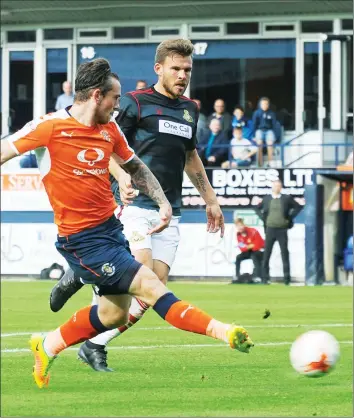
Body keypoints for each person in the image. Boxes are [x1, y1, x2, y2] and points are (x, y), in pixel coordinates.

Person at [48, 41, 253, 373]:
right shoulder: (134, 104)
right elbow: (108, 145)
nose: (182, 75)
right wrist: (122, 177)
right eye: (175, 68)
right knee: (141, 275)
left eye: (187, 69)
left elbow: (189, 156)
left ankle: (93, 343)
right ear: (158, 69)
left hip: (168, 208)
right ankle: (83, 274)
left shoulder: (190, 109)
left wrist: (211, 200)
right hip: (131, 205)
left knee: (149, 295)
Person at [255, 179, 303, 285]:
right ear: (272, 187)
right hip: (270, 229)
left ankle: (287, 279)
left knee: (284, 254)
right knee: (267, 254)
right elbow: (257, 208)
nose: (277, 188)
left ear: (281, 187)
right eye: (275, 186)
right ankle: (265, 279)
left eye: (278, 186)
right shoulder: (267, 199)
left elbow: (298, 207)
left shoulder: (286, 198)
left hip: (282, 229)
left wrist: (289, 218)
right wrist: (263, 218)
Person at [233, 218, 264, 284]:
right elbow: (242, 248)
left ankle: (257, 277)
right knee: (238, 257)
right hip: (248, 251)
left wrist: (248, 246)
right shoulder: (238, 235)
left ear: (244, 225)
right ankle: (237, 276)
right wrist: (250, 245)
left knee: (254, 256)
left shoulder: (253, 231)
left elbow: (258, 244)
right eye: (238, 226)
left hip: (259, 251)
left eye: (241, 225)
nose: (240, 227)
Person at [252, 97, 277, 167]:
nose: (264, 105)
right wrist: (254, 135)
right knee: (259, 144)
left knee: (270, 144)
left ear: (268, 105)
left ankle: (270, 163)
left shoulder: (271, 113)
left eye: (266, 104)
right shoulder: (256, 113)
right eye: (263, 104)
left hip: (269, 131)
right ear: (260, 104)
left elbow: (274, 125)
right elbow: (254, 124)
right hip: (259, 130)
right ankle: (260, 164)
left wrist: (275, 135)